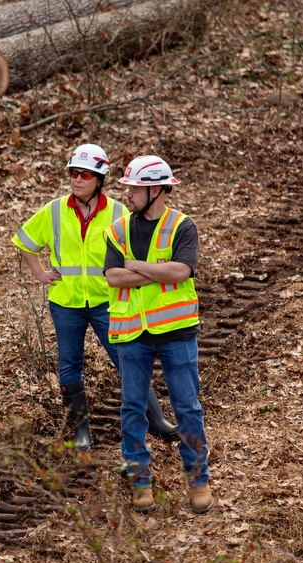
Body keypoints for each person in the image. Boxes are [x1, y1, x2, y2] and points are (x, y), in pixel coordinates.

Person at [12, 144, 178, 451]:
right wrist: (39, 274)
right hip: (66, 302)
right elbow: (24, 241)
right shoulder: (54, 210)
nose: (77, 179)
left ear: (99, 178)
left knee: (127, 358)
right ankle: (81, 433)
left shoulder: (118, 211)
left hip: (107, 300)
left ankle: (157, 421)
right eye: (73, 173)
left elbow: (137, 248)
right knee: (69, 365)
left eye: (85, 174)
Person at [103, 155, 213, 514]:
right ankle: (140, 483)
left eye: (134, 188)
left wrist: (135, 265)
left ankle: (198, 481)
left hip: (177, 330)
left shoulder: (182, 226)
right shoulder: (117, 229)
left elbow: (182, 272)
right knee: (132, 409)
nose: (128, 194)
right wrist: (156, 270)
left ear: (156, 190)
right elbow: (114, 277)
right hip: (131, 330)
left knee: (187, 407)